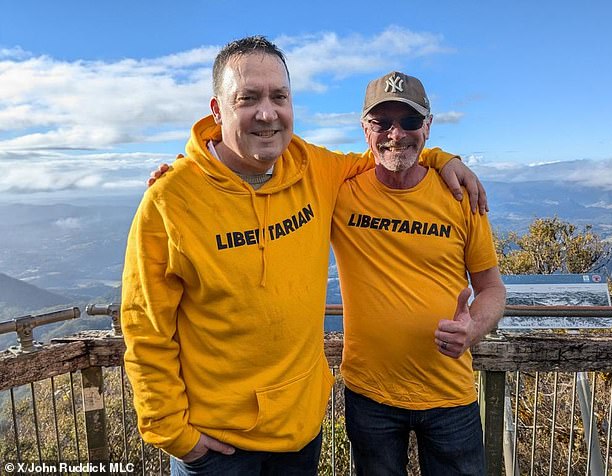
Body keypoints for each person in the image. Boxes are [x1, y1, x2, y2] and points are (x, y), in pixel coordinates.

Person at [121, 36, 487, 476]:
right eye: (248, 98)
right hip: (216, 445)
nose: (267, 112)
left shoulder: (315, 168)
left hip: (300, 435)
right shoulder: (171, 200)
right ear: (217, 111)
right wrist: (175, 436)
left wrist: (443, 157)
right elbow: (145, 329)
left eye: (279, 96)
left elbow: (390, 153)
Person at [330, 71, 506, 475]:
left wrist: (474, 327)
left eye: (409, 121)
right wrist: (192, 173)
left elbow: (493, 288)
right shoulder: (340, 191)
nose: (396, 133)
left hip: (450, 397)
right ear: (364, 128)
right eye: (382, 122)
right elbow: (271, 172)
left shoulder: (460, 197)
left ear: (428, 126)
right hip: (369, 397)